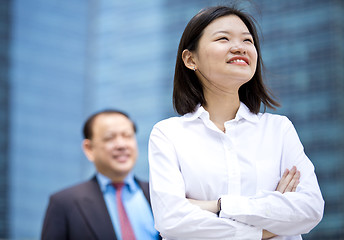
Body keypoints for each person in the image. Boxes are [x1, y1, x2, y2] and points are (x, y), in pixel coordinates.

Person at [148, 5, 324, 240]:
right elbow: (170, 220)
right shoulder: (168, 134)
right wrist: (267, 225)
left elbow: (310, 209)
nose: (239, 47)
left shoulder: (278, 129)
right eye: (223, 38)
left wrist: (218, 205)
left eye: (248, 41)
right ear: (190, 59)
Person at [42, 110, 160, 240]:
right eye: (110, 138)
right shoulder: (64, 203)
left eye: (127, 136)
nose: (121, 145)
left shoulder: (159, 193)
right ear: (89, 148)